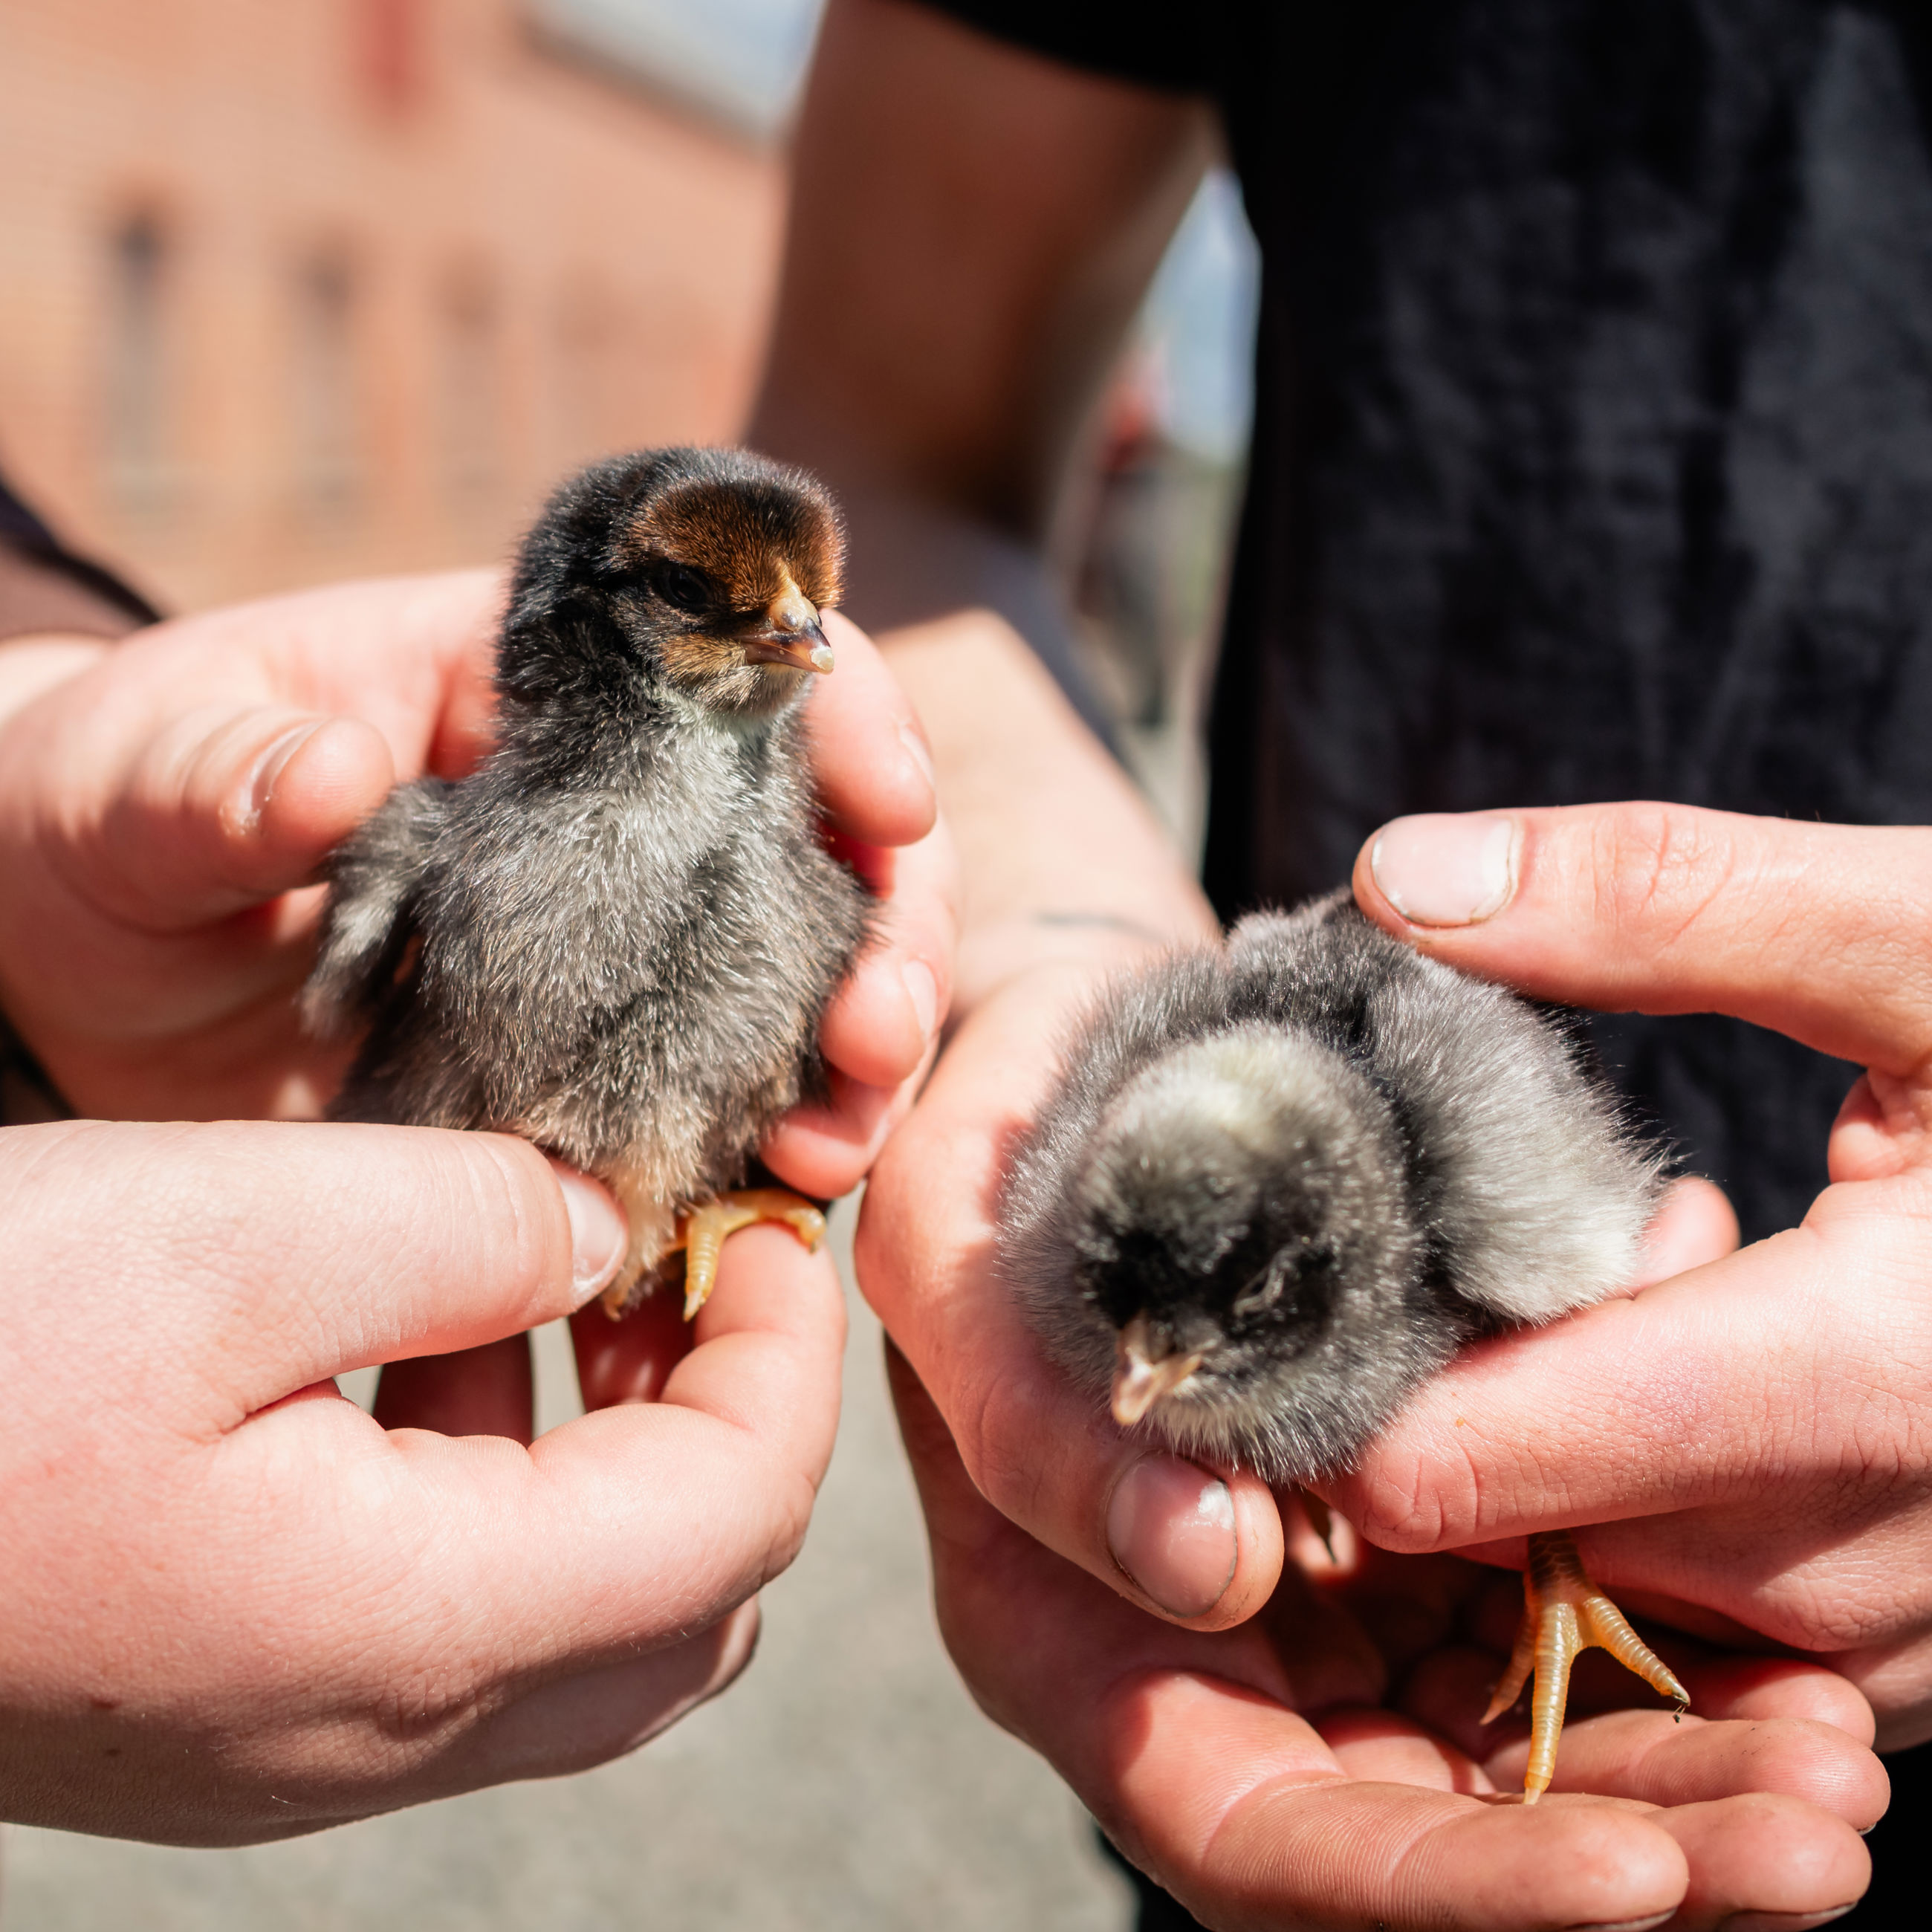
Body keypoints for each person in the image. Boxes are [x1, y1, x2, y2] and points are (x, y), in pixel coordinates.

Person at [752, 1, 1932, 1923]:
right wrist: (1049, 938)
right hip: (1346, 1652)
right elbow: (883, 456)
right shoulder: (1145, 1231)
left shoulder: (1422, 1188)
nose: (1138, 1380)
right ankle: (1551, 1567)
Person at [0, 478, 957, 1841]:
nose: (802, 634)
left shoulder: (821, 888)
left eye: (816, 604)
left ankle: (711, 1206)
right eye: (711, 599)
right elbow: (337, 1016)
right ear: (592, 617)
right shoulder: (441, 849)